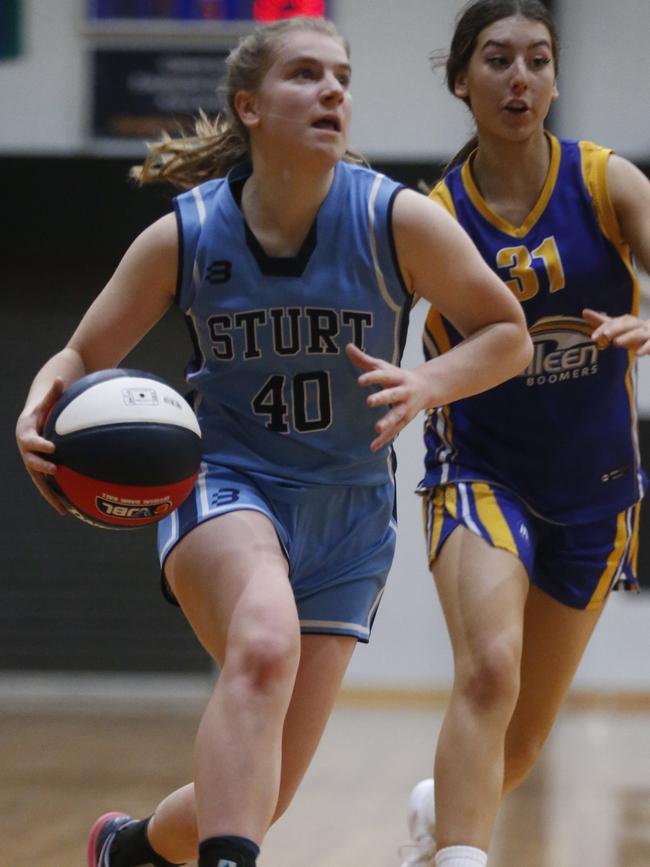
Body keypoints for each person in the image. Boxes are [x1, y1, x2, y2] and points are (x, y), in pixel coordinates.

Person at [15, 16, 531, 867]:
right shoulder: (188, 234)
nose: (333, 90)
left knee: (266, 790)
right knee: (262, 641)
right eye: (306, 75)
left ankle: (133, 848)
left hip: (349, 516)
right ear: (249, 106)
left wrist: (430, 382)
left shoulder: (392, 220)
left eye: (343, 75)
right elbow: (81, 355)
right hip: (228, 483)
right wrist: (43, 392)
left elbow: (505, 333)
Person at [399, 2, 650, 866]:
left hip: (598, 487)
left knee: (524, 740)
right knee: (489, 672)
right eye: (499, 60)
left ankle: (441, 814)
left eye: (539, 60)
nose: (521, 78)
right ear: (461, 79)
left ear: (555, 78)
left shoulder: (606, 181)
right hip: (480, 470)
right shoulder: (430, 214)